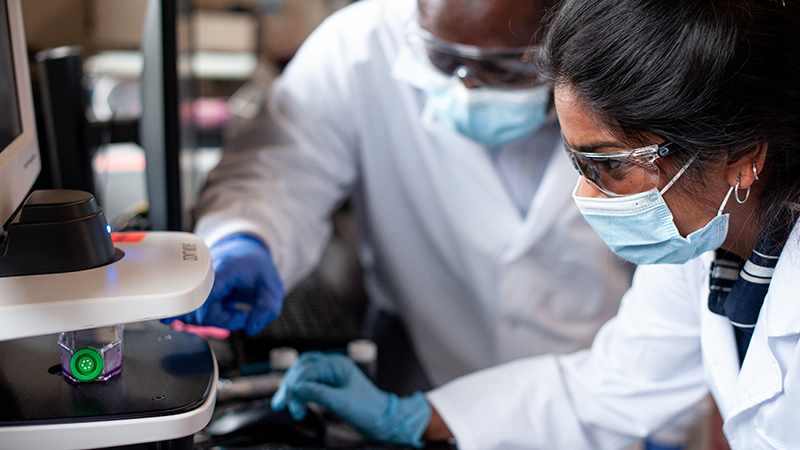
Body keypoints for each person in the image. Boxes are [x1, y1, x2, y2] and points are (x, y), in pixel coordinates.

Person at [270, 0, 800, 448]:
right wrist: (409, 416)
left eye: (608, 166)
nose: (584, 196)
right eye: (577, 165)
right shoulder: (707, 245)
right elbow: (611, 388)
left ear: (740, 153)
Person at [170, 0, 632, 393]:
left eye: (507, 68)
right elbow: (278, 168)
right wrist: (246, 237)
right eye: (444, 59)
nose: (467, 84)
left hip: (611, 385)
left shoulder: (627, 59)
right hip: (428, 379)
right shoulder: (361, 45)